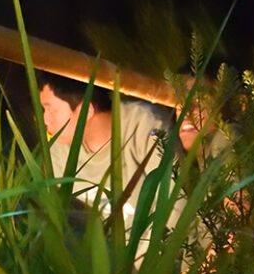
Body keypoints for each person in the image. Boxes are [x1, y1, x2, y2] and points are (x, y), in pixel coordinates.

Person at [37, 73, 172, 229]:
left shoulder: (144, 126)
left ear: (85, 110)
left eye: (50, 110)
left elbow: (174, 203)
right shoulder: (59, 152)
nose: (45, 119)